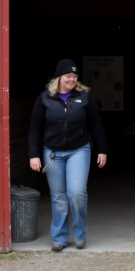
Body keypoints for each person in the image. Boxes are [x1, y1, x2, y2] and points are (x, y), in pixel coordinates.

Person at [29, 59, 108, 252]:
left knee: (77, 193)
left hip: (79, 150)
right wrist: (34, 154)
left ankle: (80, 234)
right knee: (59, 197)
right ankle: (60, 238)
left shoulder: (84, 97)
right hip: (52, 152)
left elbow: (96, 125)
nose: (72, 79)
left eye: (75, 76)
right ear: (58, 78)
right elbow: (35, 128)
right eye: (68, 76)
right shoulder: (44, 98)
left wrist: (102, 149)